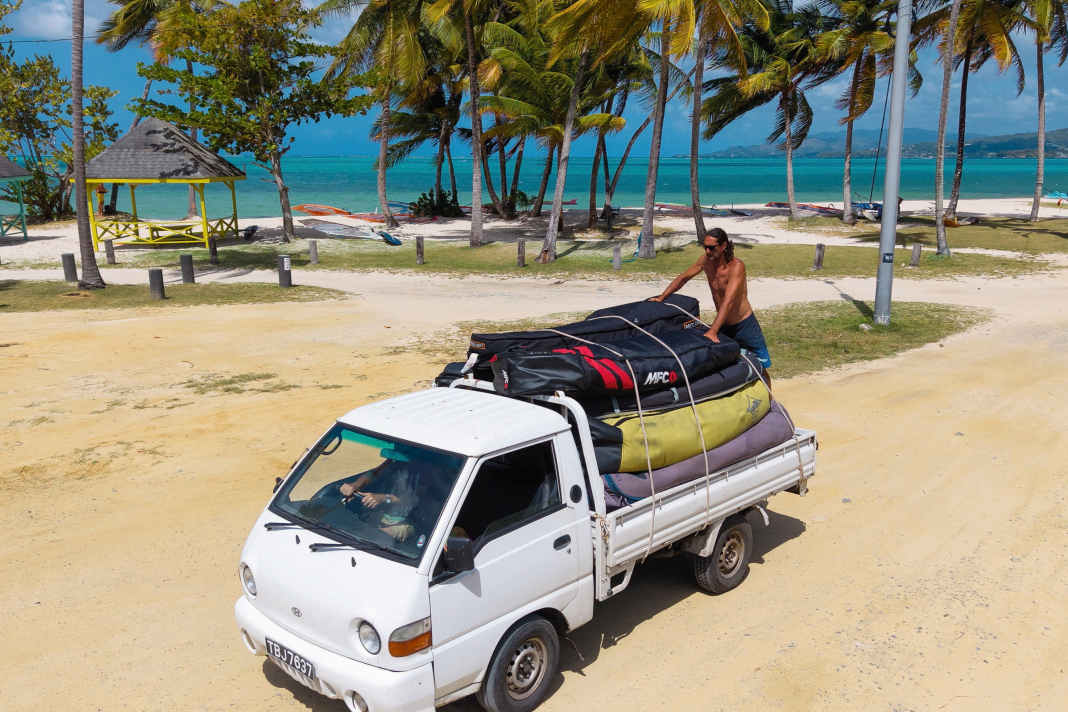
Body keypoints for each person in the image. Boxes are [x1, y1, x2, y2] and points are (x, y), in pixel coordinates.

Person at [650, 227, 772, 390]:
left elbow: (728, 301)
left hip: (745, 324)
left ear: (724, 246)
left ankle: (770, 399)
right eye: (705, 247)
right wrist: (662, 297)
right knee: (728, 366)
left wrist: (713, 331)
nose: (707, 251)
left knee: (762, 367)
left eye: (711, 248)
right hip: (723, 324)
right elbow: (683, 278)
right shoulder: (705, 261)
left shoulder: (736, 267)